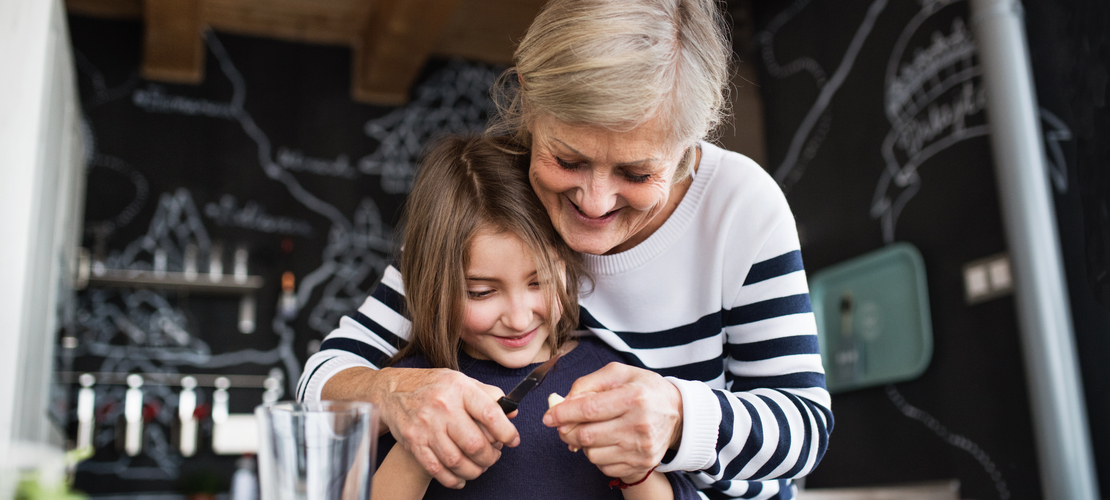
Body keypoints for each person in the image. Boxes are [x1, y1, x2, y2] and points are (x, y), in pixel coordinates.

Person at [299, 1, 832, 498]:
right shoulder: (489, 200)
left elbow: (805, 430)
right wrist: (394, 393)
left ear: (689, 143)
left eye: (637, 172)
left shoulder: (740, 208)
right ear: (529, 100)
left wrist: (677, 417)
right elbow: (324, 376)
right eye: (569, 160)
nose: (595, 204)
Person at [368, 134, 698, 500]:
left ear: (570, 266)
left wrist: (636, 472)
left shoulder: (614, 382)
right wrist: (418, 454)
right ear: (433, 286)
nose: (519, 317)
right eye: (482, 291)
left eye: (539, 282)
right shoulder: (415, 398)